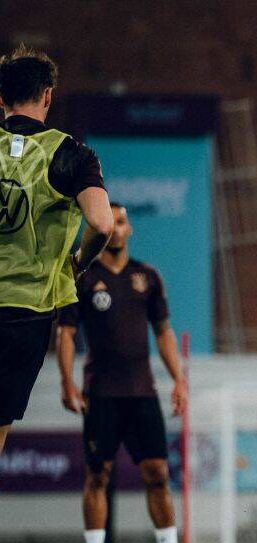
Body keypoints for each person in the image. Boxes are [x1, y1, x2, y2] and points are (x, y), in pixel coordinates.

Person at [57, 203, 201, 543]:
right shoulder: (83, 277)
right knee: (97, 475)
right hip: (101, 393)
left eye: (121, 222)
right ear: (98, 230)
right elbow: (67, 334)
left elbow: (164, 332)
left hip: (143, 393)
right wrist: (67, 381)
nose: (116, 228)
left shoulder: (147, 277)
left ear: (129, 229)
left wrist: (179, 380)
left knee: (156, 472)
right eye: (110, 223)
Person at [0, 45, 112, 455]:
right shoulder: (72, 155)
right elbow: (102, 224)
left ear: (0, 98)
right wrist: (79, 265)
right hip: (23, 312)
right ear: (48, 95)